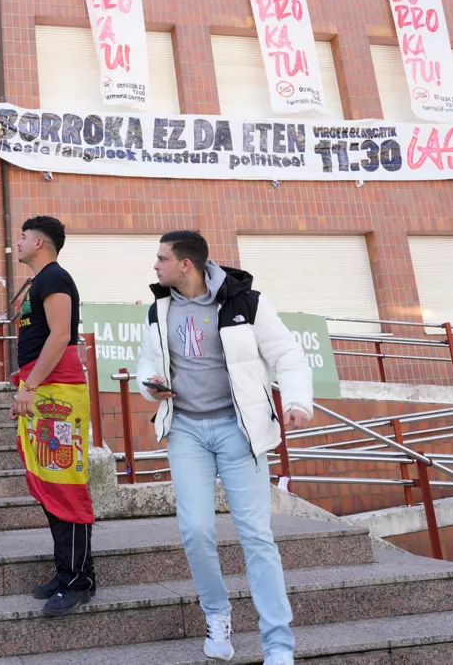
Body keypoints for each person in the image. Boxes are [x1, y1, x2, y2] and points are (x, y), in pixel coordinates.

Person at [135, 230, 312, 664]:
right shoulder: (159, 308)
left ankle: (278, 644)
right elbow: (147, 364)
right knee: (195, 530)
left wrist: (297, 402)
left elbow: (288, 356)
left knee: (256, 536)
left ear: (186, 265)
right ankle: (217, 615)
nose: (155, 265)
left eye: (161, 258)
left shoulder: (246, 302)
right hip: (186, 431)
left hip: (239, 430)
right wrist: (149, 386)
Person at [12, 216, 95, 618]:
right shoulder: (39, 281)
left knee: (65, 482)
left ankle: (77, 580)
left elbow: (61, 336)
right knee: (49, 481)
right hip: (42, 388)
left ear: (39, 242)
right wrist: (26, 387)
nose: (18, 241)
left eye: (23, 236)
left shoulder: (55, 278)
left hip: (57, 390)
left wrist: (30, 386)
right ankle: (69, 572)